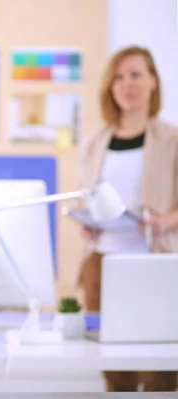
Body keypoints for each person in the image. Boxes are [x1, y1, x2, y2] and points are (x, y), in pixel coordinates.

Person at [77, 45, 178, 392]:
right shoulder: (95, 142)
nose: (127, 84)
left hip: (154, 263)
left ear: (153, 81)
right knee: (114, 368)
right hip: (102, 264)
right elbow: (88, 195)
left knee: (158, 370)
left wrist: (167, 220)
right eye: (118, 77)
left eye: (136, 74)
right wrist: (86, 219)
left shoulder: (171, 139)